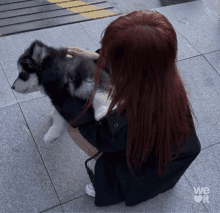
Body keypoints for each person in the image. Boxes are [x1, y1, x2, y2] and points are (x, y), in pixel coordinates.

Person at [63, 9, 201, 207]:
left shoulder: (131, 118)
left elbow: (101, 138)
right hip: (163, 155)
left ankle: (106, 181)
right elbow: (133, 63)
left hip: (139, 163)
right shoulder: (165, 81)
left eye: (108, 54)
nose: (103, 54)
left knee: (73, 129)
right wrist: (96, 58)